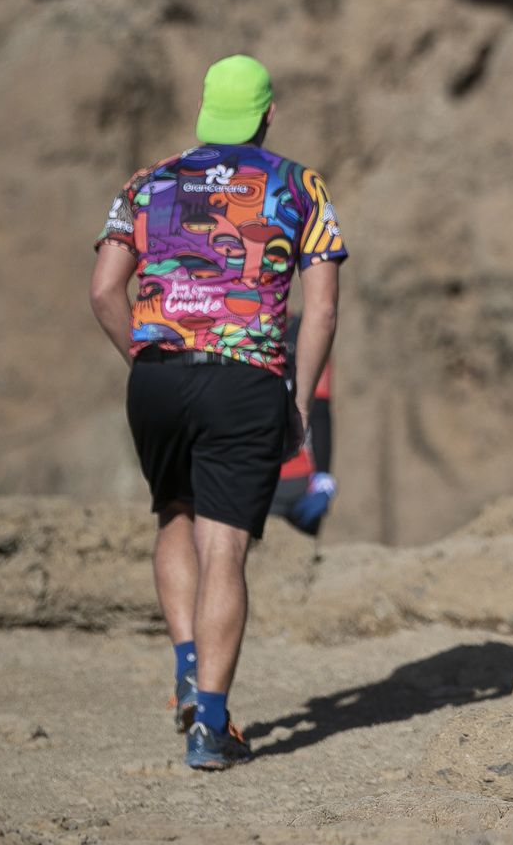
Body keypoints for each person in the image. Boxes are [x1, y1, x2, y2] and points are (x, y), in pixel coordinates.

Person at [89, 54, 346, 770]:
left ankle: (184, 660)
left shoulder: (147, 182)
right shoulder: (299, 184)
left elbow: (105, 289)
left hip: (158, 377)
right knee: (224, 546)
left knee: (175, 509)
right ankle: (210, 725)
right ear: (267, 115)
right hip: (246, 378)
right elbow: (320, 308)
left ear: (207, 112)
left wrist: (144, 359)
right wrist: (298, 396)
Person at [270, 315, 337, 536]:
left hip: (277, 477)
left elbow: (319, 411)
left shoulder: (237, 328)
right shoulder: (308, 330)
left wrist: (323, 477)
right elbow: (320, 412)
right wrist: (323, 476)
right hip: (290, 478)